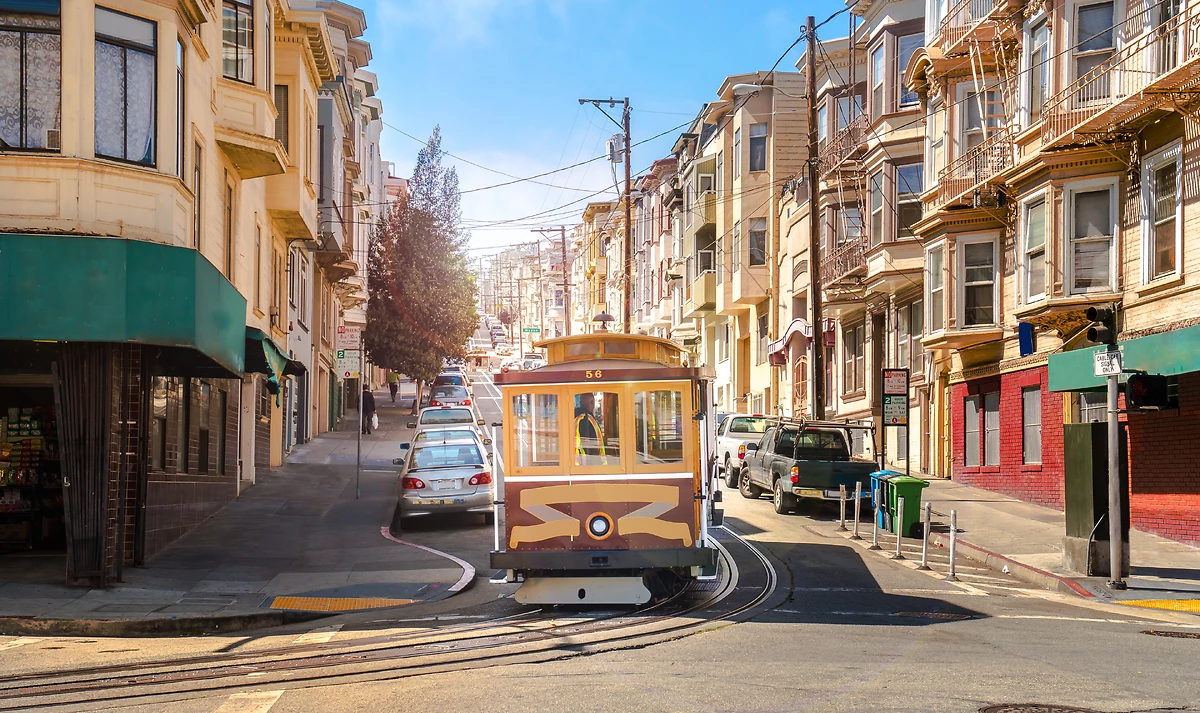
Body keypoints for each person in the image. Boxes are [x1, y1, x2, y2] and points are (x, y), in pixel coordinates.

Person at [574, 393, 606, 465]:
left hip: (578, 464)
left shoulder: (575, 418)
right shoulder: (587, 420)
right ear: (592, 403)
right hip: (587, 465)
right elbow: (591, 444)